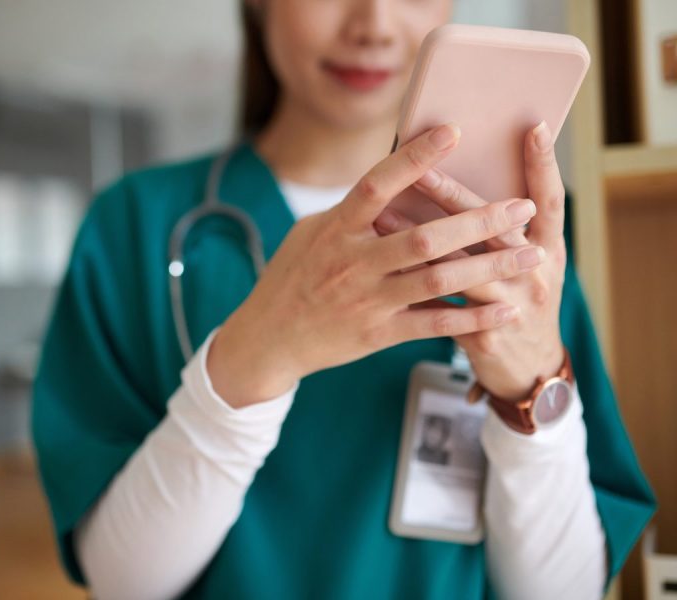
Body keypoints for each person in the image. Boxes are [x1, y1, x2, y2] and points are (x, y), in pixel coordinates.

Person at [32, 1, 656, 598]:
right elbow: (121, 584)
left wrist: (530, 393)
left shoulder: (525, 235)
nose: (374, 25)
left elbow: (565, 591)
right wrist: (251, 361)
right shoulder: (135, 224)